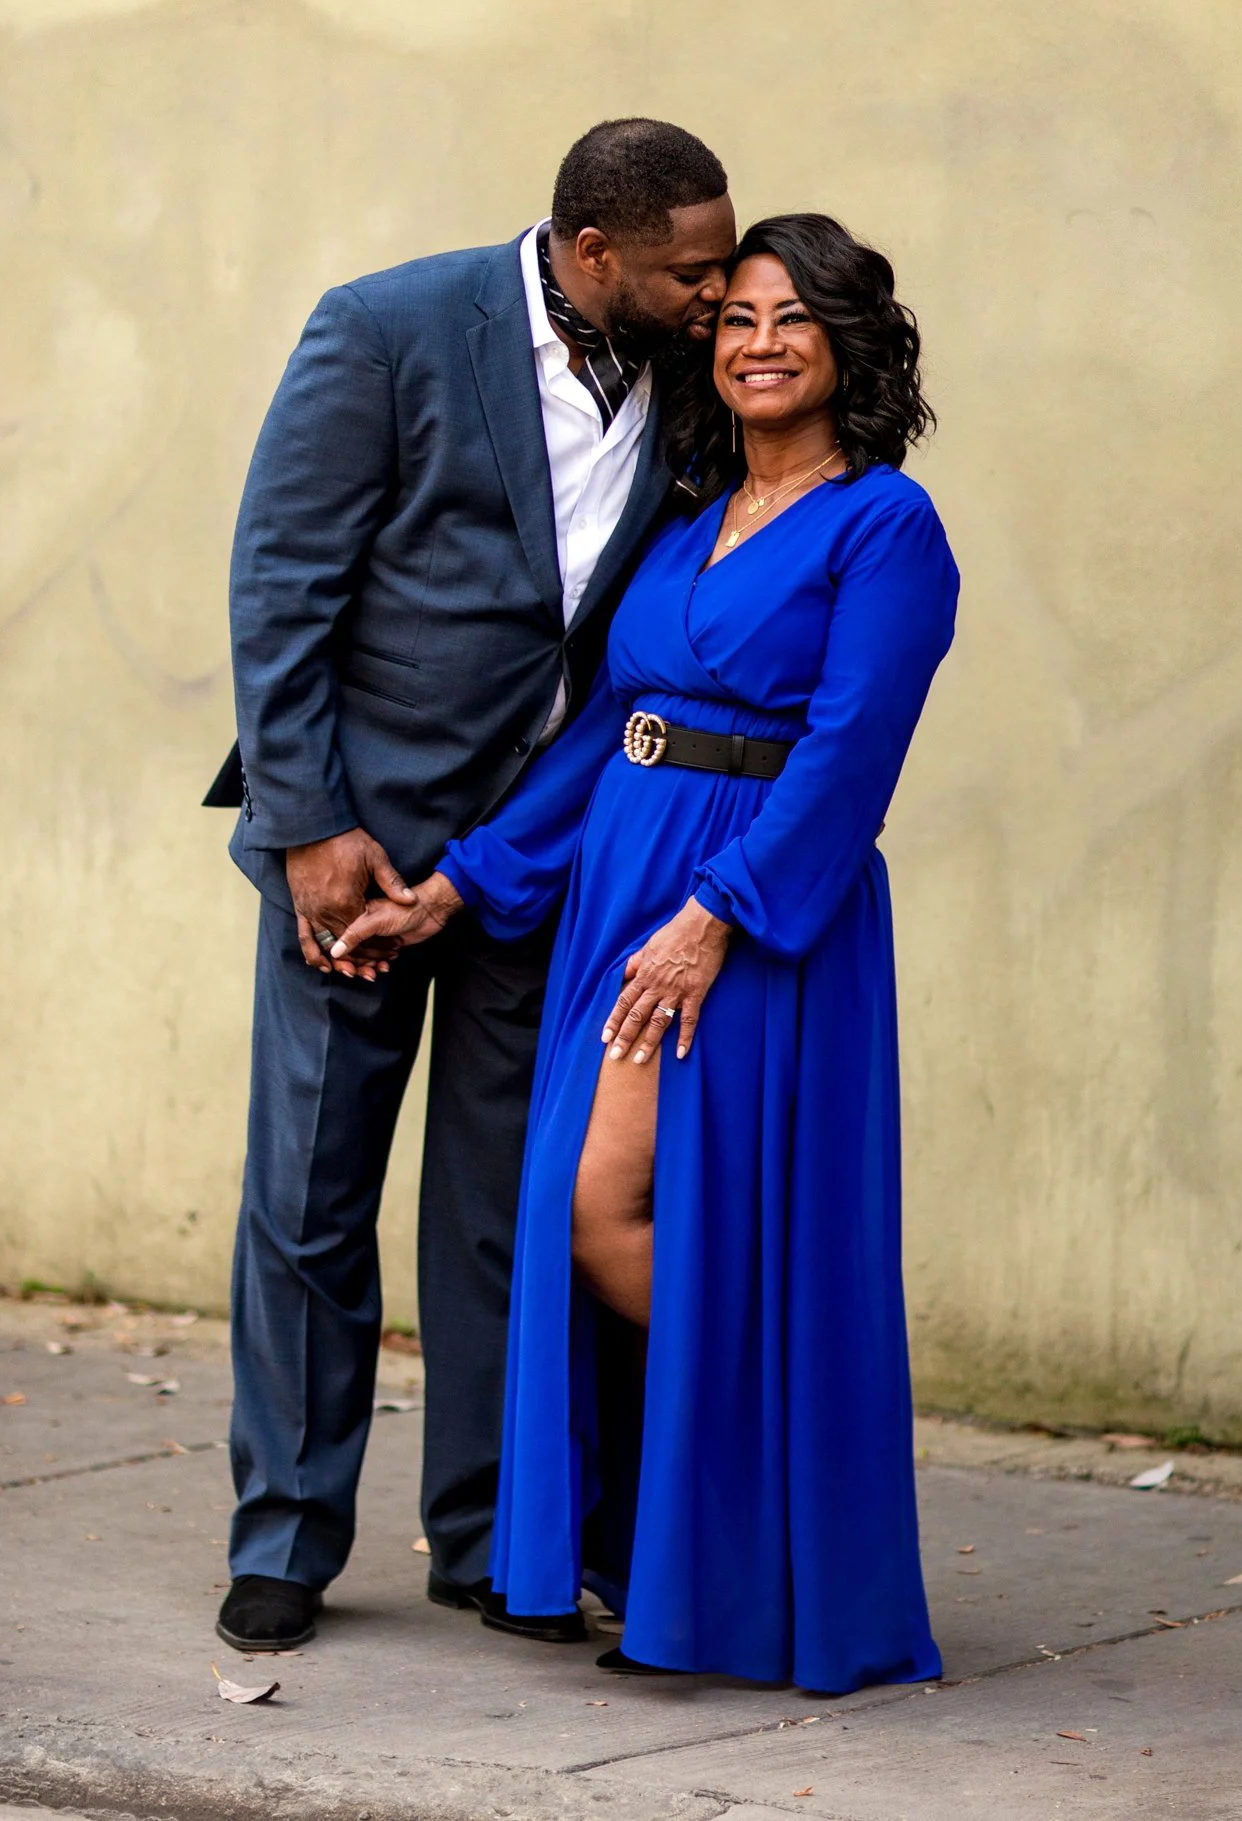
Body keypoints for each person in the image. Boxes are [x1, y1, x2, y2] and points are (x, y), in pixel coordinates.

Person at [331, 214, 958, 1693]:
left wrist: (717, 917)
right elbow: (612, 737)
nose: (754, 341)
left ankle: (756, 1513)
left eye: (789, 318)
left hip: (745, 914)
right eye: (732, 316)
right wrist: (460, 883)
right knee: (601, 1208)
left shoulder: (885, 527)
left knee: (607, 1205)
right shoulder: (686, 524)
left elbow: (849, 750)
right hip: (623, 885)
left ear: (847, 345)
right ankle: (710, 1536)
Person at [209, 119, 737, 1657]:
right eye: (688, 270)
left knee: (505, 1205)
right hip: (356, 857)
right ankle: (287, 1538)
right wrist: (307, 825)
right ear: (592, 255)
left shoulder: (688, 373)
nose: (715, 295)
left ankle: (490, 1534)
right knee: (309, 1199)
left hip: (545, 862)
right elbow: (281, 579)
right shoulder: (385, 328)